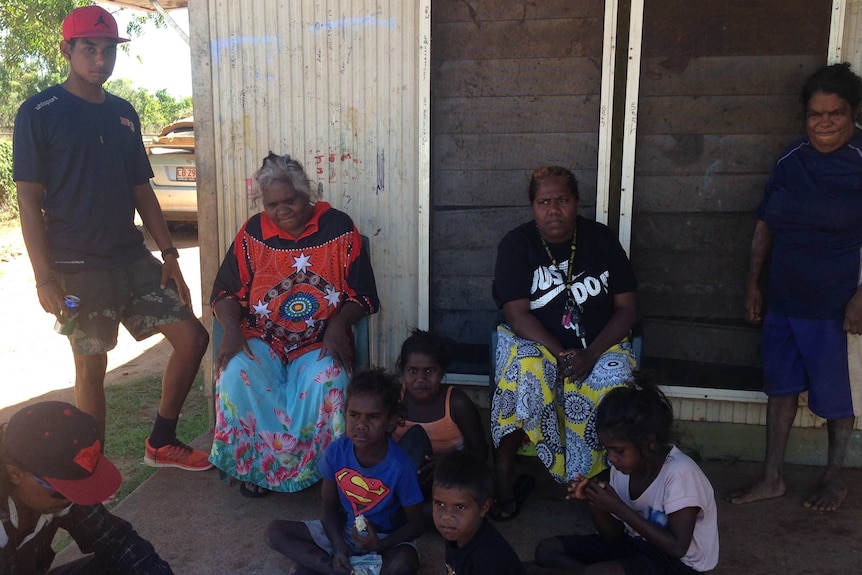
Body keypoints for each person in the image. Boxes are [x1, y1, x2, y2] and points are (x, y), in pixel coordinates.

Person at [12, 5, 211, 471]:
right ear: (67, 50)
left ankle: (161, 441)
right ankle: (91, 466)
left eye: (107, 51)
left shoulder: (123, 114)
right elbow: (27, 201)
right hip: (77, 266)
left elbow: (141, 188)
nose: (100, 60)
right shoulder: (39, 112)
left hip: (132, 258)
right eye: (89, 49)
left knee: (192, 338)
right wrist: (44, 278)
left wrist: (169, 254)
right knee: (92, 366)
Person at [729, 63, 862, 512]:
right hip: (784, 297)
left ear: (854, 114)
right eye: (815, 114)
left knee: (835, 397)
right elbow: (766, 222)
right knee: (780, 388)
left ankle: (833, 478)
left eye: (835, 113)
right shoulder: (791, 159)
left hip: (835, 304)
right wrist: (753, 282)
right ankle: (772, 477)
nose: (824, 122)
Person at [210, 151, 380, 496]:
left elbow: (362, 294)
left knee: (328, 381)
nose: (281, 210)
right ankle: (258, 469)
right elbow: (226, 290)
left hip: (318, 339)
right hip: (264, 337)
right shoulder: (253, 233)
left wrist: (338, 325)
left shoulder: (339, 227)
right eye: (272, 204)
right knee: (235, 375)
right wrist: (230, 329)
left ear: (308, 195)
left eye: (290, 201)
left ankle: (322, 473)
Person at [490, 166, 638, 520]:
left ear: (576, 203)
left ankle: (599, 482)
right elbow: (515, 313)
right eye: (544, 202)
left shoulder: (601, 240)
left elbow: (627, 309)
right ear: (532, 206)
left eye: (562, 200)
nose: (553, 210)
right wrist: (561, 354)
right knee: (527, 370)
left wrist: (590, 354)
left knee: (611, 379)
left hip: (600, 344)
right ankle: (504, 470)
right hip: (535, 340)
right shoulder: (517, 244)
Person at [534, 375, 719, 574]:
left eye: (619, 451)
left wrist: (618, 507)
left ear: (650, 441)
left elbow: (678, 547)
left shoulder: (681, 474)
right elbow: (613, 537)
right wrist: (596, 503)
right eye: (607, 450)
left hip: (681, 565)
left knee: (597, 572)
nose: (611, 458)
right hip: (637, 548)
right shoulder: (622, 470)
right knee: (547, 551)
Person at [264, 369, 424, 575]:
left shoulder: (401, 465)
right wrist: (339, 545)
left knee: (404, 563)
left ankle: (325, 567)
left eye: (373, 417)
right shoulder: (336, 452)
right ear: (345, 413)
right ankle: (336, 568)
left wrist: (378, 545)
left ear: (391, 422)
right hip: (342, 533)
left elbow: (417, 524)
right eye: (354, 415)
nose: (361, 425)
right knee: (275, 532)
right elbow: (329, 506)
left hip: (385, 539)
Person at [0, 401, 173, 574]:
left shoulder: (53, 495)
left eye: (78, 488)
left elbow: (118, 542)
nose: (71, 498)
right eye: (62, 490)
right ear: (15, 474)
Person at [391, 329, 487, 497]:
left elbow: (481, 454)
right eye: (412, 371)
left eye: (429, 371)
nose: (421, 379)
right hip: (401, 479)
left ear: (442, 371)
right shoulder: (394, 400)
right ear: (403, 370)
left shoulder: (457, 403)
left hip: (447, 480)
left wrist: (448, 462)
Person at [432, 450, 526, 575]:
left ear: (484, 508)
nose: (446, 516)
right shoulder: (456, 532)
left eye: (460, 507)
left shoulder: (486, 557)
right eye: (440, 503)